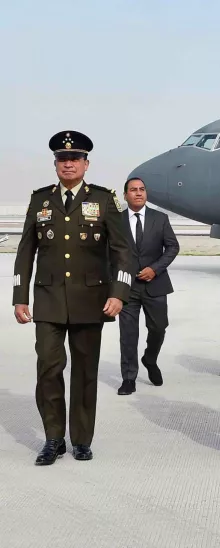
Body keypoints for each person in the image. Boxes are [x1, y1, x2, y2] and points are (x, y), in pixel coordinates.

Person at [12, 130, 132, 465]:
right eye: (63, 159)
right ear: (55, 165)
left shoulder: (105, 200)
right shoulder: (40, 200)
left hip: (90, 301)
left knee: (84, 372)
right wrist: (19, 296)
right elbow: (25, 251)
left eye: (74, 159)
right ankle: (53, 439)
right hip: (48, 301)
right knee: (49, 369)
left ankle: (81, 439)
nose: (68, 164)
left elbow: (123, 252)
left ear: (86, 163)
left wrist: (119, 293)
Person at [117, 177, 180, 395]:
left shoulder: (159, 219)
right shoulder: (115, 220)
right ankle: (128, 378)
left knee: (158, 328)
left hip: (156, 284)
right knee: (128, 334)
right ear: (125, 195)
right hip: (127, 287)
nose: (138, 193)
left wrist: (155, 268)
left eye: (142, 189)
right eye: (133, 190)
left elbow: (172, 247)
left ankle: (149, 359)